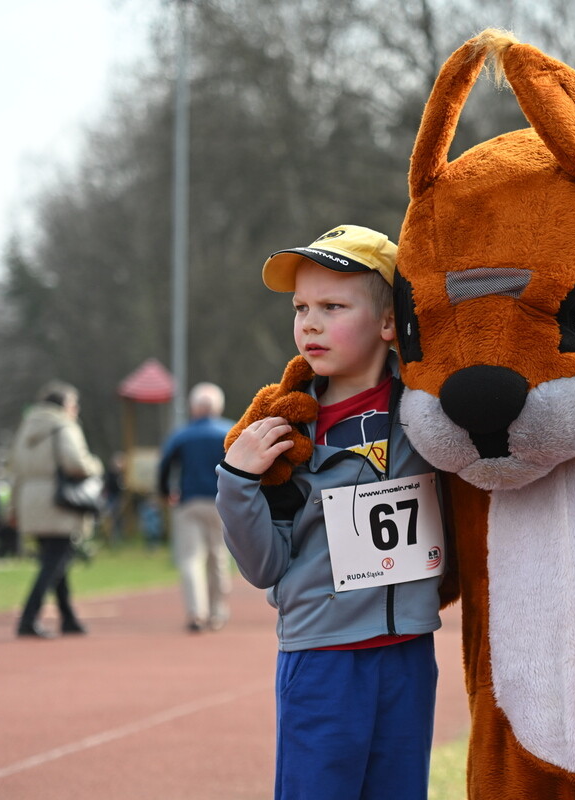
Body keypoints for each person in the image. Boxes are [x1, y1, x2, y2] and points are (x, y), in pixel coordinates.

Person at [217, 225, 445, 800]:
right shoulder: (283, 430)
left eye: (332, 307)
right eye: (301, 308)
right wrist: (238, 480)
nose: (309, 324)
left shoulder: (429, 411)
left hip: (408, 653)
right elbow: (264, 567)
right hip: (322, 657)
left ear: (389, 322)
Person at [9, 381, 103, 638]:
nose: (76, 409)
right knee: (55, 561)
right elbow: (75, 463)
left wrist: (14, 507)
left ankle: (68, 617)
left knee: (55, 560)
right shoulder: (63, 426)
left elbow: (15, 470)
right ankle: (28, 617)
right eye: (74, 404)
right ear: (64, 404)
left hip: (31, 500)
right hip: (58, 501)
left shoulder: (26, 427)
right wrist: (95, 466)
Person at [159, 382, 234, 633]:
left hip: (189, 502)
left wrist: (166, 492)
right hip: (222, 502)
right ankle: (217, 611)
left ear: (193, 407)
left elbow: (164, 464)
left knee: (191, 558)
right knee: (218, 556)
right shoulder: (229, 431)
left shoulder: (182, 434)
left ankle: (196, 612)